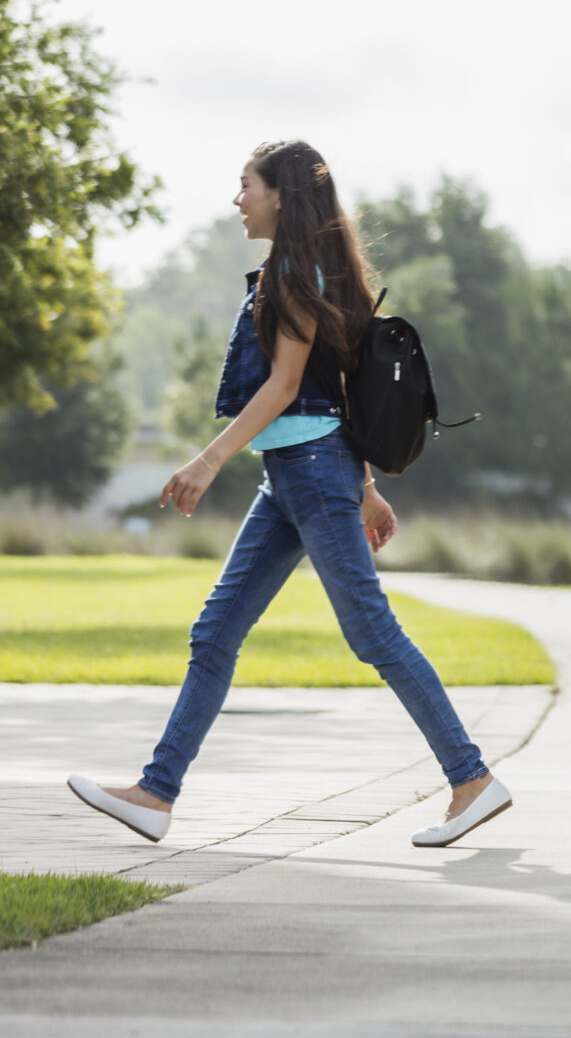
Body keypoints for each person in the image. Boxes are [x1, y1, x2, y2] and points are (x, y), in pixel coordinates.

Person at [68, 141, 511, 849]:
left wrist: (207, 461)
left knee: (371, 632)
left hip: (308, 469)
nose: (237, 200)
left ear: (280, 195)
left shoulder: (293, 272)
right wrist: (362, 486)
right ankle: (155, 794)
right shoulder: (306, 270)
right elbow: (330, 390)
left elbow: (284, 387)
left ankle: (472, 779)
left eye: (245, 185)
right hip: (297, 474)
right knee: (215, 632)